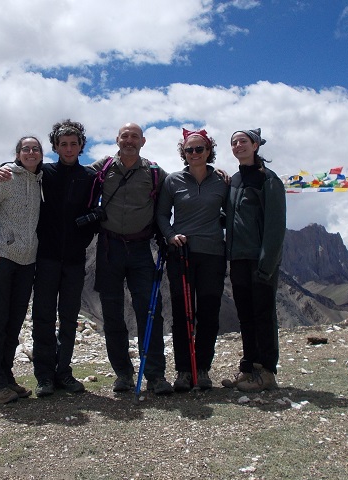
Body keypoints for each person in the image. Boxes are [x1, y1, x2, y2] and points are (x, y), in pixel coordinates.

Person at [91, 123, 174, 395]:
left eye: (134, 137)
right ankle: (123, 375)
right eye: (125, 136)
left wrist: (216, 173)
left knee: (150, 312)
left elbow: (176, 190)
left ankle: (155, 375)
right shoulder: (102, 168)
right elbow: (70, 177)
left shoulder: (154, 173)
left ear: (143, 141)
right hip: (108, 248)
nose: (129, 141)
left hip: (141, 249)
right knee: (112, 314)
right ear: (117, 139)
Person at [156, 128, 228, 391]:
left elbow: (230, 213)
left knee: (209, 313)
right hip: (182, 254)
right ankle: (184, 371)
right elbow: (162, 215)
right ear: (183, 153)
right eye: (190, 149)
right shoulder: (173, 181)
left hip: (213, 254)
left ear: (209, 151)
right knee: (182, 313)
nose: (195, 153)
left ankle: (203, 369)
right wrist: (170, 235)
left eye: (200, 149)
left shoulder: (222, 181)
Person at [30, 120, 98, 397]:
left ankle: (64, 372)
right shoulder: (43, 172)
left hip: (74, 258)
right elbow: (17, 170)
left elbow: (96, 209)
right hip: (46, 256)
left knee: (69, 317)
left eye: (74, 143)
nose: (69, 148)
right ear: (55, 146)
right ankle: (44, 376)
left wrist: (90, 226)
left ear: (81, 146)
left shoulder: (90, 178)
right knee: (43, 317)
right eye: (63, 144)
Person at [0, 136, 44, 404]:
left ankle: (7, 377)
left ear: (40, 154)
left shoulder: (40, 182)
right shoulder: (5, 180)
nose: (30, 152)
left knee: (14, 323)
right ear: (17, 154)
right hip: (3, 261)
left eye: (35, 149)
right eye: (25, 149)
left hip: (28, 263)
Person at [221, 128, 286, 392]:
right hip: (237, 259)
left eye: (243, 141)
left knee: (263, 314)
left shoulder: (269, 180)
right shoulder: (235, 180)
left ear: (256, 145)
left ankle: (266, 372)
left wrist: (266, 264)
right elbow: (231, 217)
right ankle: (248, 369)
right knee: (245, 316)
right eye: (234, 143)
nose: (238, 146)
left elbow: (275, 226)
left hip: (260, 261)